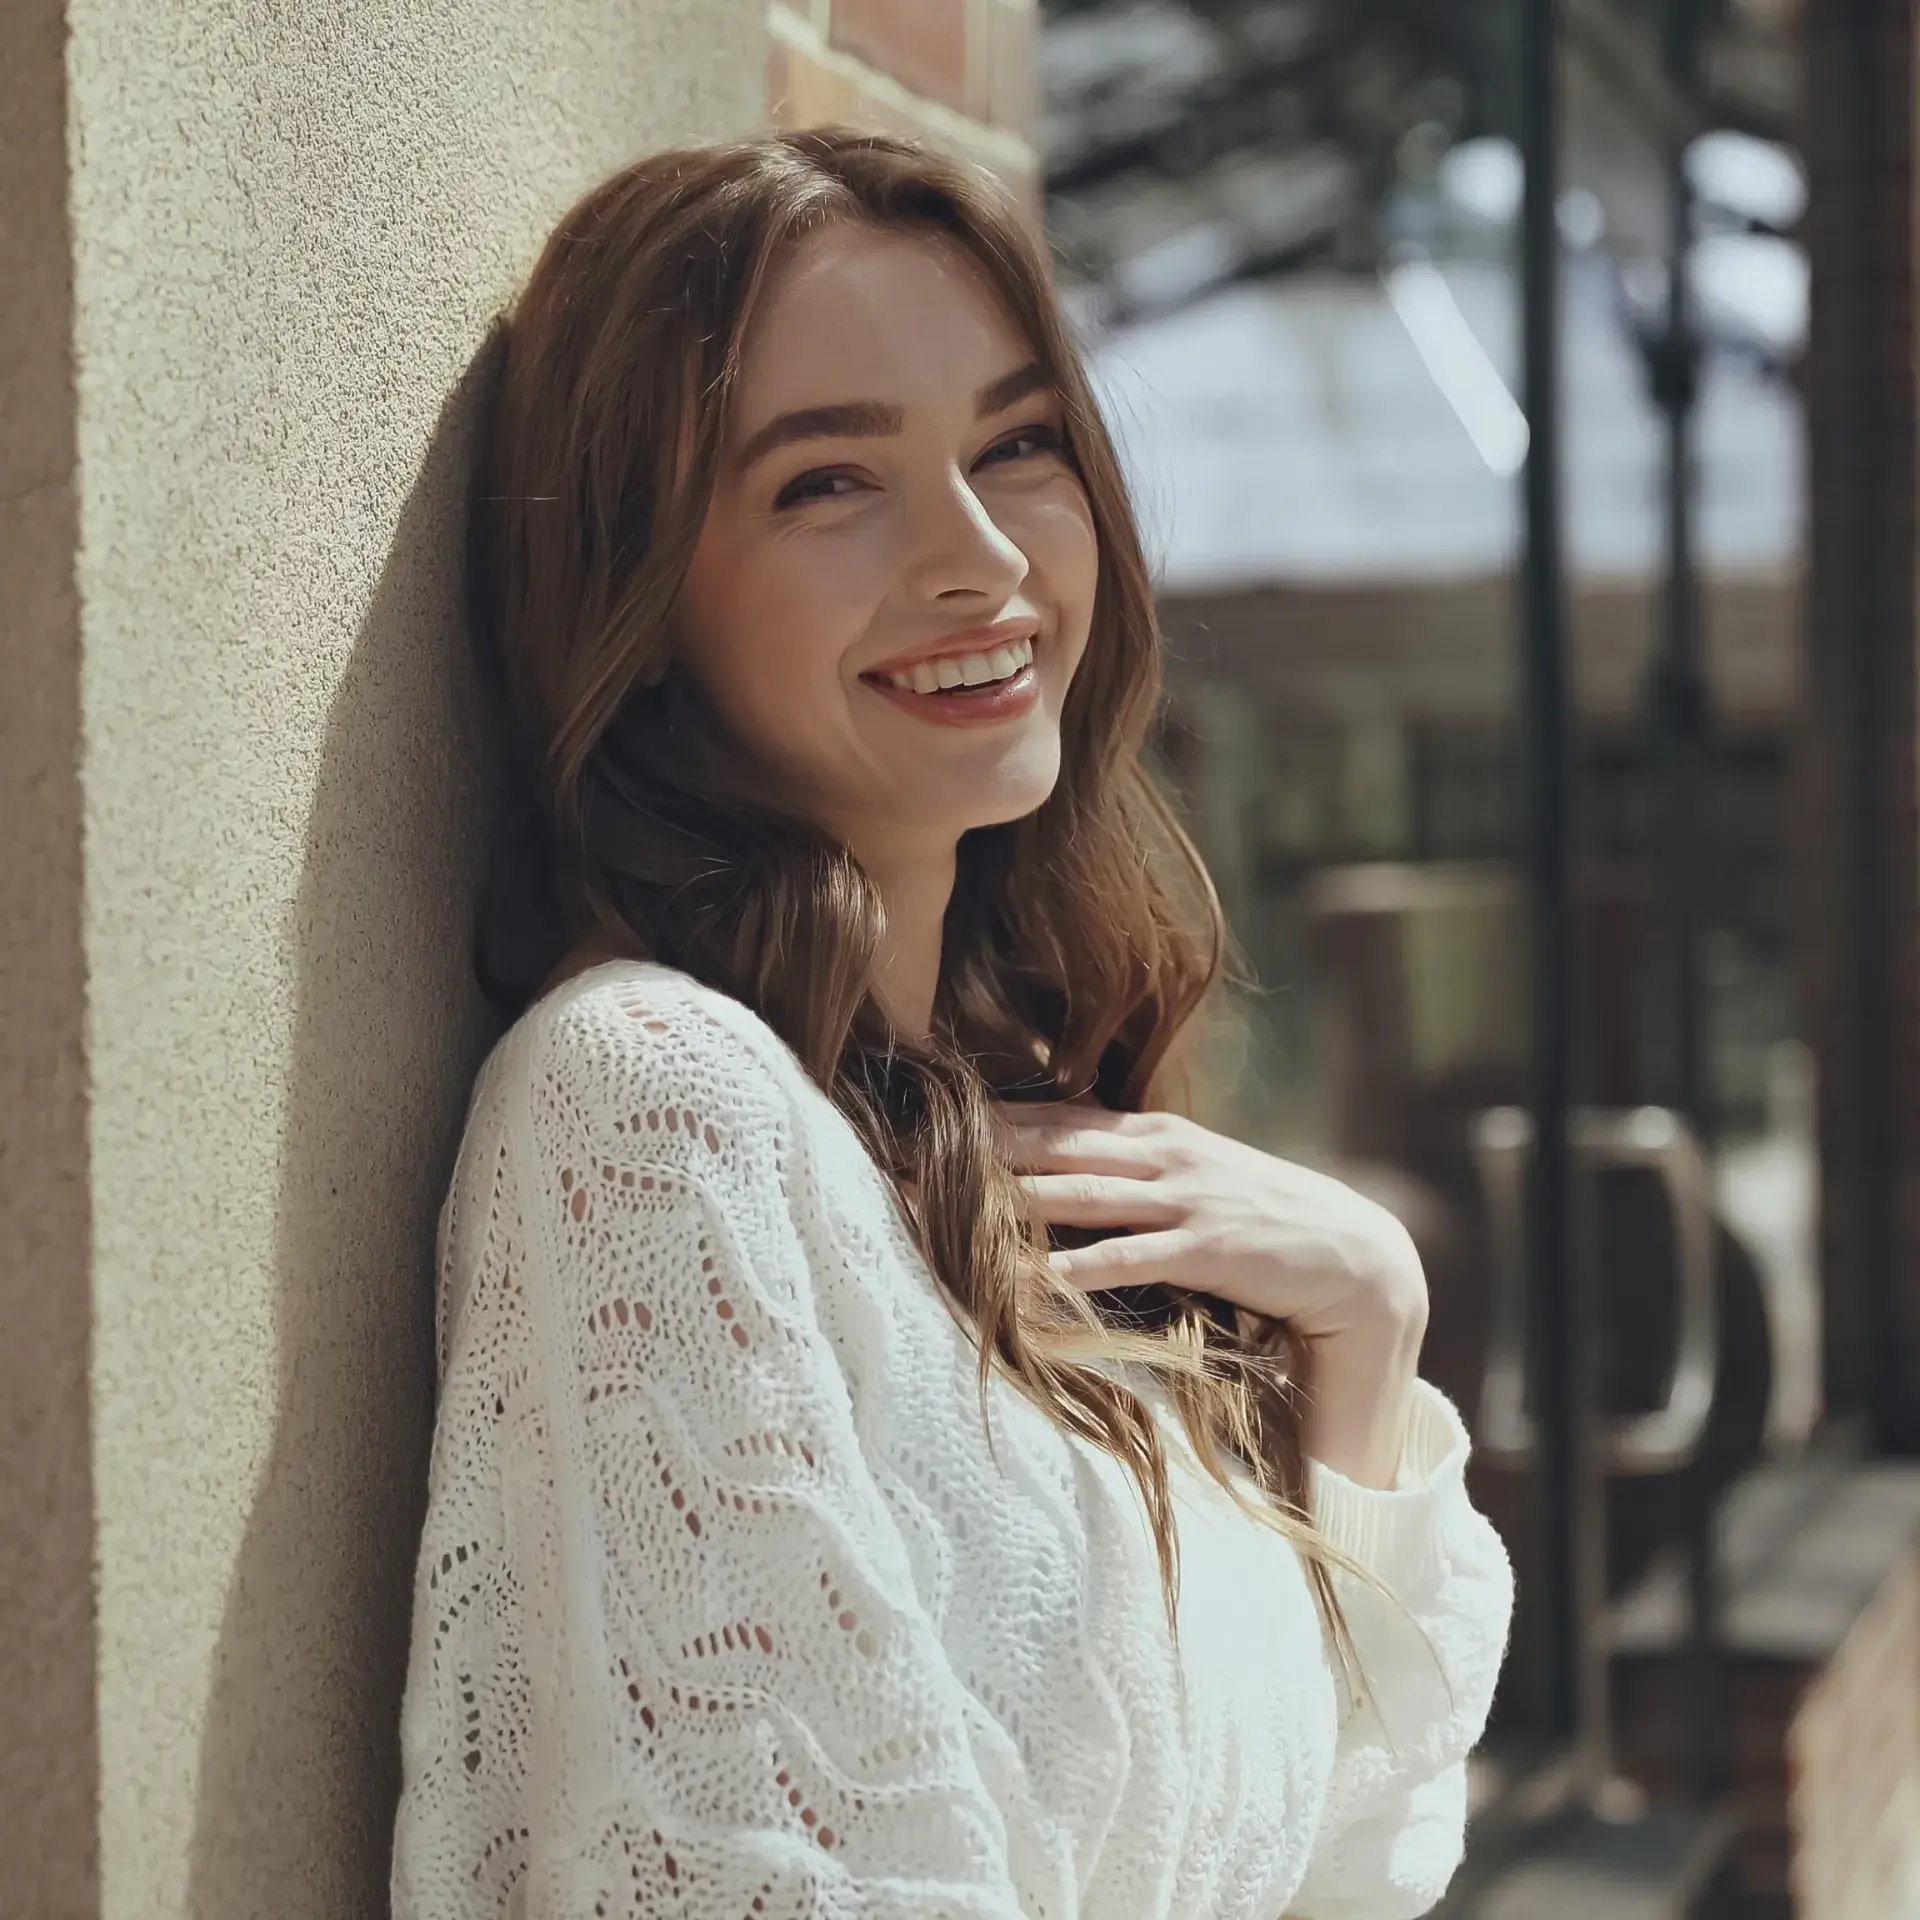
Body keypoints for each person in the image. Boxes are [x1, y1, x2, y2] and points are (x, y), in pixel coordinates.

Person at [391, 128, 1513, 1920]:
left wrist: (1370, 1326)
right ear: (640, 599)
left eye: (1016, 446)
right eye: (829, 482)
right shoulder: (651, 1108)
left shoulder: (999, 1143)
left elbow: (1346, 1866)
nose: (979, 554)